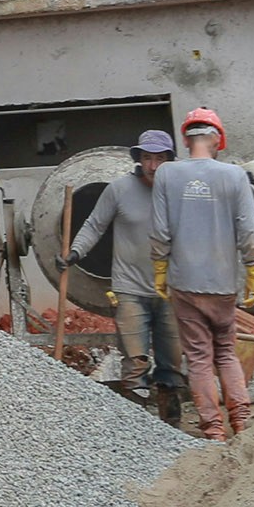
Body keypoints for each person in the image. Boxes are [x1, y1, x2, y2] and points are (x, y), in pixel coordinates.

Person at [151, 107, 254, 439]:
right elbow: (250, 231)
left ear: (186, 140)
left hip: (184, 282)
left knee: (199, 357)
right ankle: (241, 421)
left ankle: (213, 430)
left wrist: (160, 268)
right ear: (217, 140)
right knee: (226, 351)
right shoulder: (234, 176)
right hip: (222, 282)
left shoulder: (167, 175)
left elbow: (159, 231)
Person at [67, 128, 186, 422]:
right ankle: (136, 428)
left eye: (160, 158)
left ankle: (172, 427)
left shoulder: (179, 193)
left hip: (172, 290)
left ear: (170, 160)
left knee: (171, 364)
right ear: (138, 159)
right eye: (147, 158)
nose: (153, 165)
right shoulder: (119, 189)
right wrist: (75, 252)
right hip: (129, 289)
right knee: (134, 361)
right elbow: (95, 225)